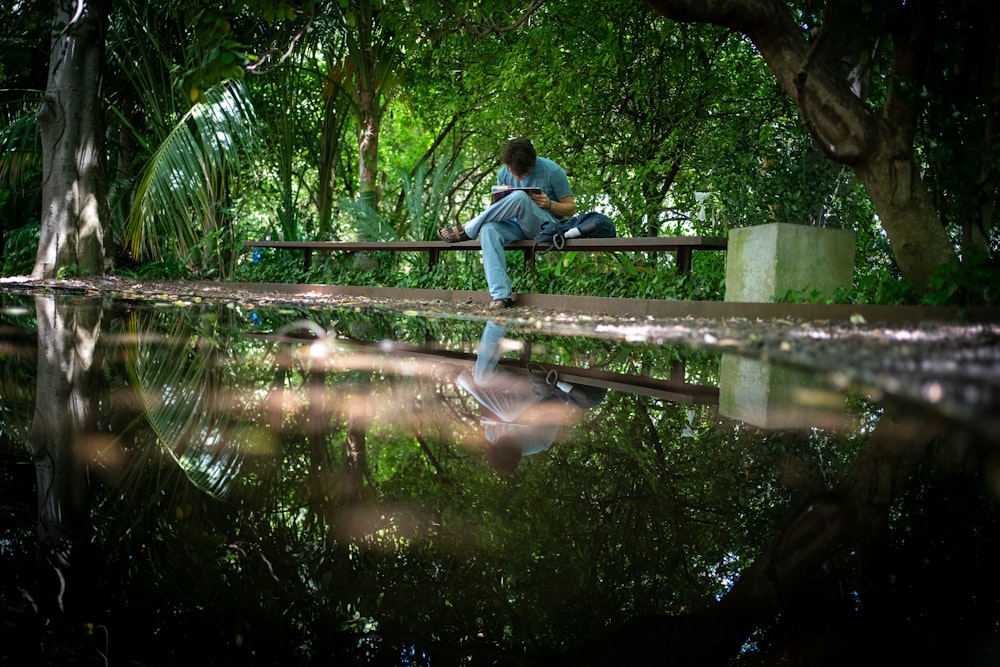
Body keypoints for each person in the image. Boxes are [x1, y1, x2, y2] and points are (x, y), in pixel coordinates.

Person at [438, 137, 576, 309]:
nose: (516, 178)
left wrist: (548, 204)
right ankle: (501, 296)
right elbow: (498, 211)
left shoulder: (553, 171)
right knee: (488, 229)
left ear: (532, 164)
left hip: (545, 227)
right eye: (512, 173)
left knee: (519, 197)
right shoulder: (503, 173)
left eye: (521, 175)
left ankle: (469, 227)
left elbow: (571, 208)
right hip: (516, 226)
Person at [456, 321, 607, 473]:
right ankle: (463, 380)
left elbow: (491, 402)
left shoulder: (491, 436)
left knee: (482, 378)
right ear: (518, 451)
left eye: (501, 440)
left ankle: (498, 322)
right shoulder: (539, 443)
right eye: (510, 442)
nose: (504, 437)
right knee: (509, 415)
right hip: (539, 390)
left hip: (511, 386)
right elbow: (554, 408)